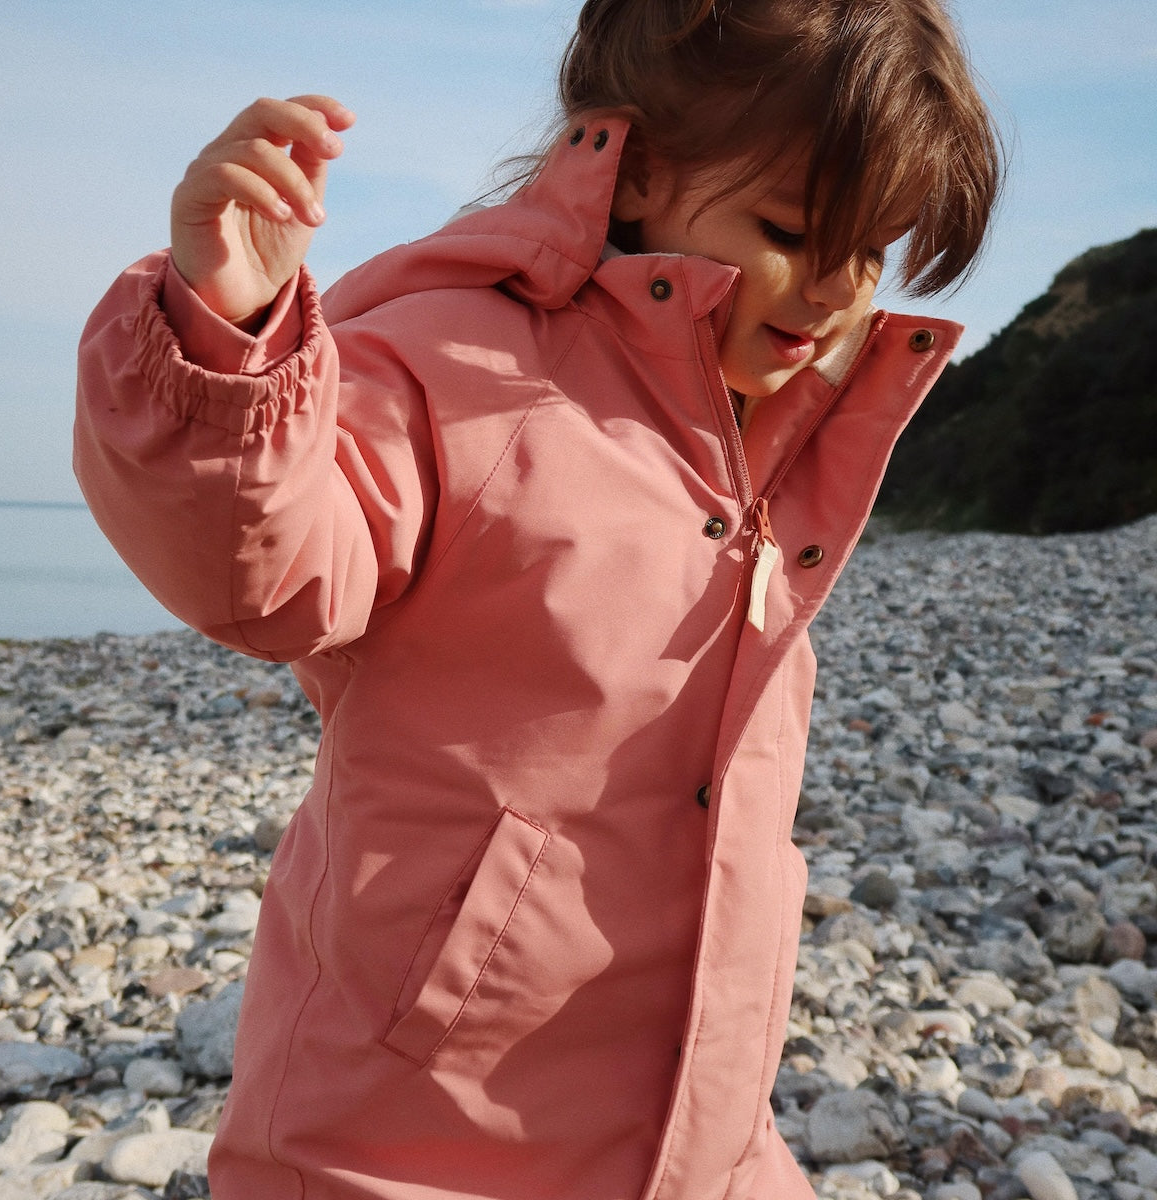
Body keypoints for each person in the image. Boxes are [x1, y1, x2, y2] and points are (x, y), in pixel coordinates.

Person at [74, 1, 1001, 1196]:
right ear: (643, 168)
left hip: (695, 1136)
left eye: (874, 252)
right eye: (790, 229)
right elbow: (269, 574)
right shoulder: (471, 367)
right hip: (407, 1137)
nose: (834, 290)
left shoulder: (763, 424)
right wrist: (226, 341)